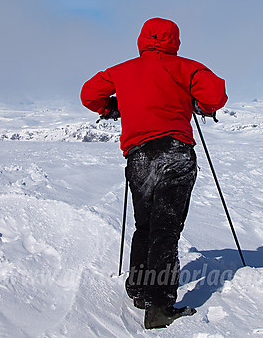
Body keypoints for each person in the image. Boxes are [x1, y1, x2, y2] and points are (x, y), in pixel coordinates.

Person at [80, 17, 228, 329]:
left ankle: (138, 290)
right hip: (175, 154)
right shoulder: (186, 68)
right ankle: (160, 306)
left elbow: (88, 94)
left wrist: (112, 107)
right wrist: (195, 101)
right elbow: (215, 96)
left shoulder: (121, 71)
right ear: (175, 40)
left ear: (141, 40)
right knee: (166, 229)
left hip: (139, 157)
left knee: (145, 225)